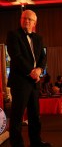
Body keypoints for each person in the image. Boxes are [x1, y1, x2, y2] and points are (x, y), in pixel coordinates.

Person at [6, 10, 52, 147]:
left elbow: (43, 58)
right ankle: (17, 144)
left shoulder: (38, 38)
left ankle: (36, 142)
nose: (26, 21)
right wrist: (31, 72)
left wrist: (39, 70)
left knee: (35, 116)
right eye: (24, 18)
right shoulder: (13, 35)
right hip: (20, 81)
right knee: (17, 116)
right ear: (20, 20)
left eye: (29, 19)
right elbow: (16, 56)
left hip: (34, 82)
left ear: (34, 23)